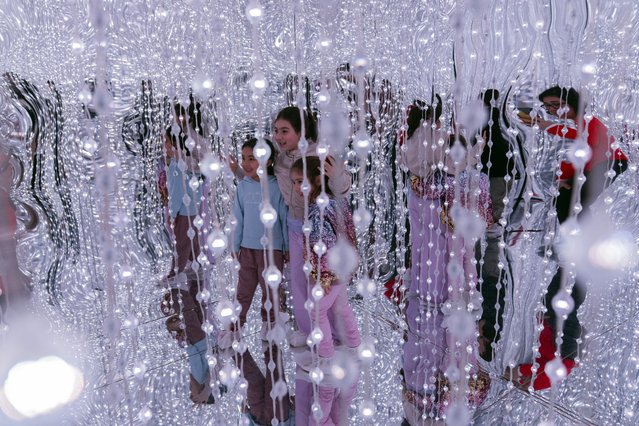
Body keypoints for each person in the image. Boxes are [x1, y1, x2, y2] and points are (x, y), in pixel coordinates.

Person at [516, 86, 629, 386]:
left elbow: (573, 134)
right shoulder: (581, 128)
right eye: (548, 108)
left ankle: (568, 349)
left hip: (607, 174)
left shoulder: (588, 121)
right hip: (596, 183)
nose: (552, 112)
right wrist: (566, 176)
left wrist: (543, 124)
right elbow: (573, 147)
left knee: (564, 285)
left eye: (555, 105)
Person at [401, 99, 492, 420]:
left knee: (457, 271)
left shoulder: (466, 177)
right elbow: (416, 163)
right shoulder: (427, 152)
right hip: (431, 213)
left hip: (452, 213)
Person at [290, 156, 361, 425]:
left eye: (301, 182)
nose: (298, 188)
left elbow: (326, 240)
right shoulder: (330, 204)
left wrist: (321, 271)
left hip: (329, 273)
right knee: (340, 307)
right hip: (338, 268)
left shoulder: (322, 207)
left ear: (317, 180)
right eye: (295, 183)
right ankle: (353, 344)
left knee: (318, 310)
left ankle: (328, 357)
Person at [272, 106, 351, 346]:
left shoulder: (321, 154)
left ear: (301, 132)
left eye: (285, 131)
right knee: (299, 281)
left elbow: (344, 187)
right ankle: (310, 333)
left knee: (328, 282)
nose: (279, 136)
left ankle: (340, 335)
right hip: (296, 225)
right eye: (276, 131)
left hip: (323, 227)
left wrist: (336, 177)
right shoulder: (280, 157)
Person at [160, 99, 214, 404]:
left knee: (186, 287)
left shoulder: (192, 148)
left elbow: (201, 167)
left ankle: (181, 288)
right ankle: (182, 292)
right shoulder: (179, 148)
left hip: (189, 216)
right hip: (185, 216)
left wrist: (176, 155)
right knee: (187, 288)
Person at [223, 137, 288, 344]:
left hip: (272, 250)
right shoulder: (243, 187)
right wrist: (234, 245)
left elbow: (284, 219)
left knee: (270, 292)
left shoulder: (277, 186)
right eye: (244, 158)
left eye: (252, 158)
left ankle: (270, 324)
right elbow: (237, 218)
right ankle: (234, 328)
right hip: (247, 249)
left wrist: (285, 246)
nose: (246, 163)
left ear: (268, 161)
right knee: (243, 291)